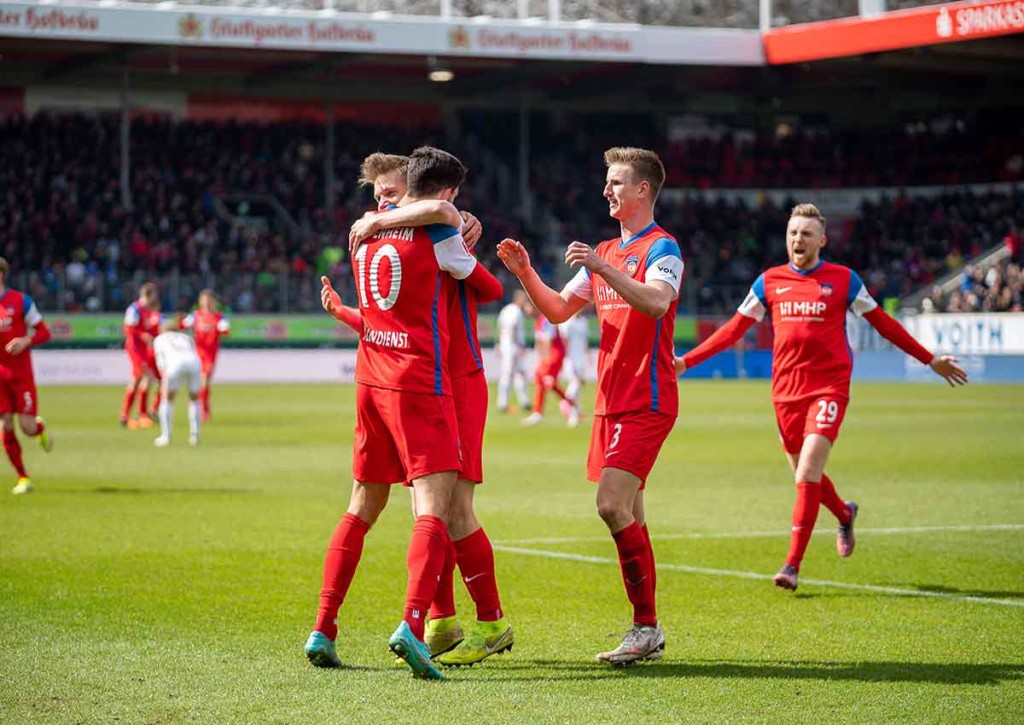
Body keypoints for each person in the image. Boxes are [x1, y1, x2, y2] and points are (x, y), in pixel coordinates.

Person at [676, 203, 968, 591]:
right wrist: (686, 362)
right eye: (793, 232)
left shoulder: (843, 280)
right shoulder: (769, 282)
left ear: (822, 240)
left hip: (829, 387)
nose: (798, 239)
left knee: (809, 469)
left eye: (806, 234)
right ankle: (845, 513)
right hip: (785, 393)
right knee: (803, 474)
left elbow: (884, 324)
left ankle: (791, 564)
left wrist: (930, 359)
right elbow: (733, 330)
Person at [310, 152, 511, 669]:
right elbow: (488, 287)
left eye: (390, 191)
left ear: (412, 188)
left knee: (369, 506)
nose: (381, 199)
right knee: (439, 508)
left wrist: (377, 224)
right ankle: (430, 622)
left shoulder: (365, 237)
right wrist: (454, 229)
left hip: (374, 380)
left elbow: (385, 315)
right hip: (424, 381)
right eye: (375, 193)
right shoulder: (433, 233)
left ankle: (324, 628)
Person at [497, 147, 683, 665]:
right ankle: (648, 631)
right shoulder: (602, 250)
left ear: (643, 189)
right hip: (611, 402)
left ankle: (645, 626)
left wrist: (604, 266)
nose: (607, 190)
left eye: (617, 182)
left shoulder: (663, 248)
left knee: (609, 504)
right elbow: (556, 309)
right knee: (630, 512)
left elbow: (655, 302)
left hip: (647, 398)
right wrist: (526, 273)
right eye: (607, 182)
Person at [0, 257, 53, 495]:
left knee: (27, 427)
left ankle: (39, 429)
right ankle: (23, 476)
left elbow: (45, 332)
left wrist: (26, 340)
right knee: (6, 424)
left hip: (21, 376)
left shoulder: (21, 301)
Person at [521, 313, 579, 427]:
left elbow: (548, 340)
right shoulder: (538, 321)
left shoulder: (546, 319)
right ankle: (537, 412)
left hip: (554, 354)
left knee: (549, 383)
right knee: (540, 379)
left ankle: (572, 409)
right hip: (548, 355)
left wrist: (545, 360)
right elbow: (540, 342)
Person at [181, 290, 230, 422]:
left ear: (214, 302)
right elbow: (182, 325)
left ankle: (202, 409)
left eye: (209, 301)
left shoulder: (219, 317)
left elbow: (226, 330)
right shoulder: (195, 316)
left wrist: (222, 329)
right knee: (198, 382)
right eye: (204, 301)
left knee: (204, 381)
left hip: (210, 354)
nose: (206, 303)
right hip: (196, 353)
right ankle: (201, 409)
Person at [151, 323, 202, 448]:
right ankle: (195, 435)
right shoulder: (186, 337)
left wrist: (164, 375)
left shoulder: (160, 339)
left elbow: (160, 360)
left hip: (175, 365)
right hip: (194, 364)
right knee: (194, 398)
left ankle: (166, 436)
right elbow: (195, 352)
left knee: (167, 398)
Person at [120, 282, 162, 429]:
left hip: (144, 349)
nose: (155, 298)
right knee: (145, 376)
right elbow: (128, 329)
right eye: (154, 295)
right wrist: (142, 334)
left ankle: (126, 416)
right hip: (135, 348)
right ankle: (141, 414)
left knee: (139, 379)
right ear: (148, 295)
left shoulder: (148, 311)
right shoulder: (134, 309)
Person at [495, 290, 531, 413]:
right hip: (513, 346)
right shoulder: (516, 312)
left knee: (512, 374)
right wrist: (517, 345)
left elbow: (499, 328)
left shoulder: (505, 310)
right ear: (519, 299)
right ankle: (504, 403)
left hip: (506, 345)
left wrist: (499, 344)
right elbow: (512, 328)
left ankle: (523, 401)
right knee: (512, 374)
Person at [559, 310, 590, 418]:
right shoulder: (567, 322)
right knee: (576, 383)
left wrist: (588, 354)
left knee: (578, 385)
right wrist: (565, 357)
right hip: (570, 358)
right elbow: (564, 341)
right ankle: (565, 402)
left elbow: (585, 340)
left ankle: (574, 410)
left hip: (581, 358)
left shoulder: (584, 322)